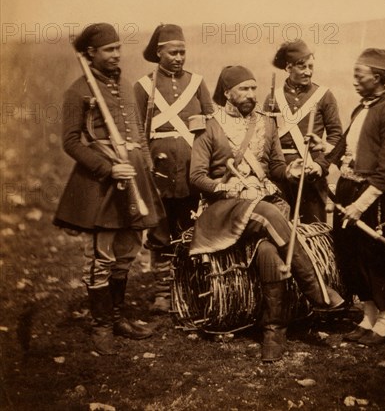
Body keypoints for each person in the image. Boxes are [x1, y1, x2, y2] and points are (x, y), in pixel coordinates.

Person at [189, 65, 344, 362]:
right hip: (223, 209)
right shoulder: (209, 126)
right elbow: (196, 177)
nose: (250, 94)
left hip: (263, 205)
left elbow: (274, 167)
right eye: (243, 89)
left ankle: (274, 331)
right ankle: (318, 292)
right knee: (267, 213)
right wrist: (224, 187)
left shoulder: (267, 123)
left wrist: (290, 169)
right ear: (227, 93)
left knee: (269, 251)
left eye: (253, 88)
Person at [54, 23, 166, 355]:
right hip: (101, 184)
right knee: (100, 256)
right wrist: (108, 167)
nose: (116, 54)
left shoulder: (126, 86)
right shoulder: (78, 92)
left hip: (135, 178)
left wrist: (145, 167)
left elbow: (138, 134)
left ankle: (117, 316)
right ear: (91, 54)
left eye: (118, 48)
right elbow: (71, 142)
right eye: (108, 50)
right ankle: (100, 324)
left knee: (127, 251)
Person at [312, 48, 385, 345]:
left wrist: (359, 206)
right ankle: (367, 317)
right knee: (352, 255)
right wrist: (322, 148)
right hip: (348, 192)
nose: (355, 81)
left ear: (378, 78)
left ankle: (383, 322)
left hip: (373, 201)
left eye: (361, 76)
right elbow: (345, 149)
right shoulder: (359, 109)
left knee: (376, 259)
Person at [134, 24, 214, 313]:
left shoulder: (197, 82)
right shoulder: (143, 86)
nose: (180, 57)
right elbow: (138, 132)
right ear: (159, 53)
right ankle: (162, 293)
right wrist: (145, 166)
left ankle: (193, 288)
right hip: (160, 173)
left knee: (193, 228)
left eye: (183, 52)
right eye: (173, 52)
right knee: (160, 231)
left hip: (194, 170)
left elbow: (211, 124)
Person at [264, 39, 342, 223]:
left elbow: (336, 136)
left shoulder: (324, 95)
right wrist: (280, 170)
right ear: (288, 67)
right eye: (302, 67)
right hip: (281, 174)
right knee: (279, 229)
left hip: (311, 173)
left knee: (315, 230)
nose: (308, 72)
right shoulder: (273, 98)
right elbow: (265, 137)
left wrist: (320, 166)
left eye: (311, 66)